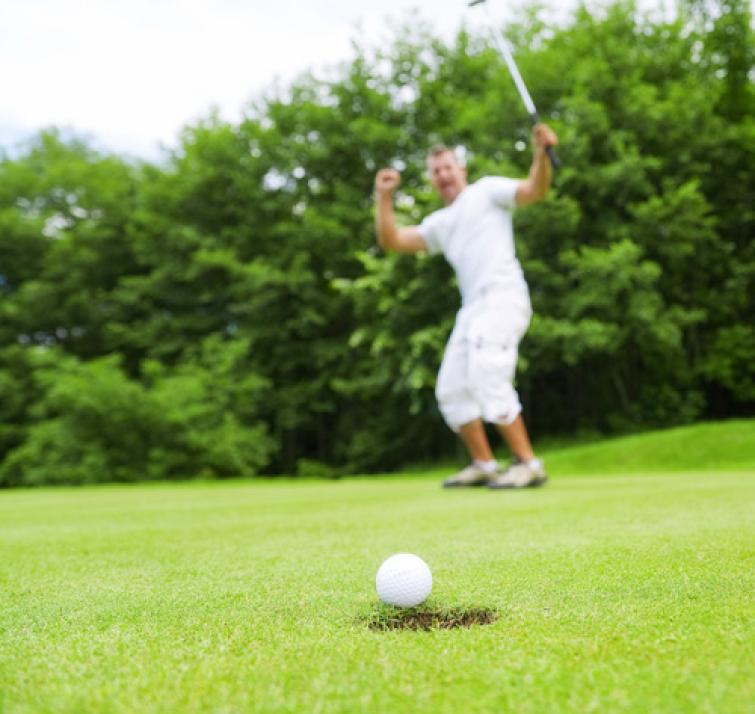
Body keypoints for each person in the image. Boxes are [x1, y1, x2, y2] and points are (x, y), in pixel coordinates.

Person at [373, 124, 558, 489]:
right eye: (436, 171)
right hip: (472, 307)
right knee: (452, 389)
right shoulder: (440, 224)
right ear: (431, 180)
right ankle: (484, 464)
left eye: (448, 167)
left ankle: (527, 463)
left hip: (503, 295)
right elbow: (392, 240)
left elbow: (535, 190)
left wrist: (541, 154)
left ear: (462, 170)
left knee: (489, 371)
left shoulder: (487, 192)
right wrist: (383, 197)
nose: (443, 175)